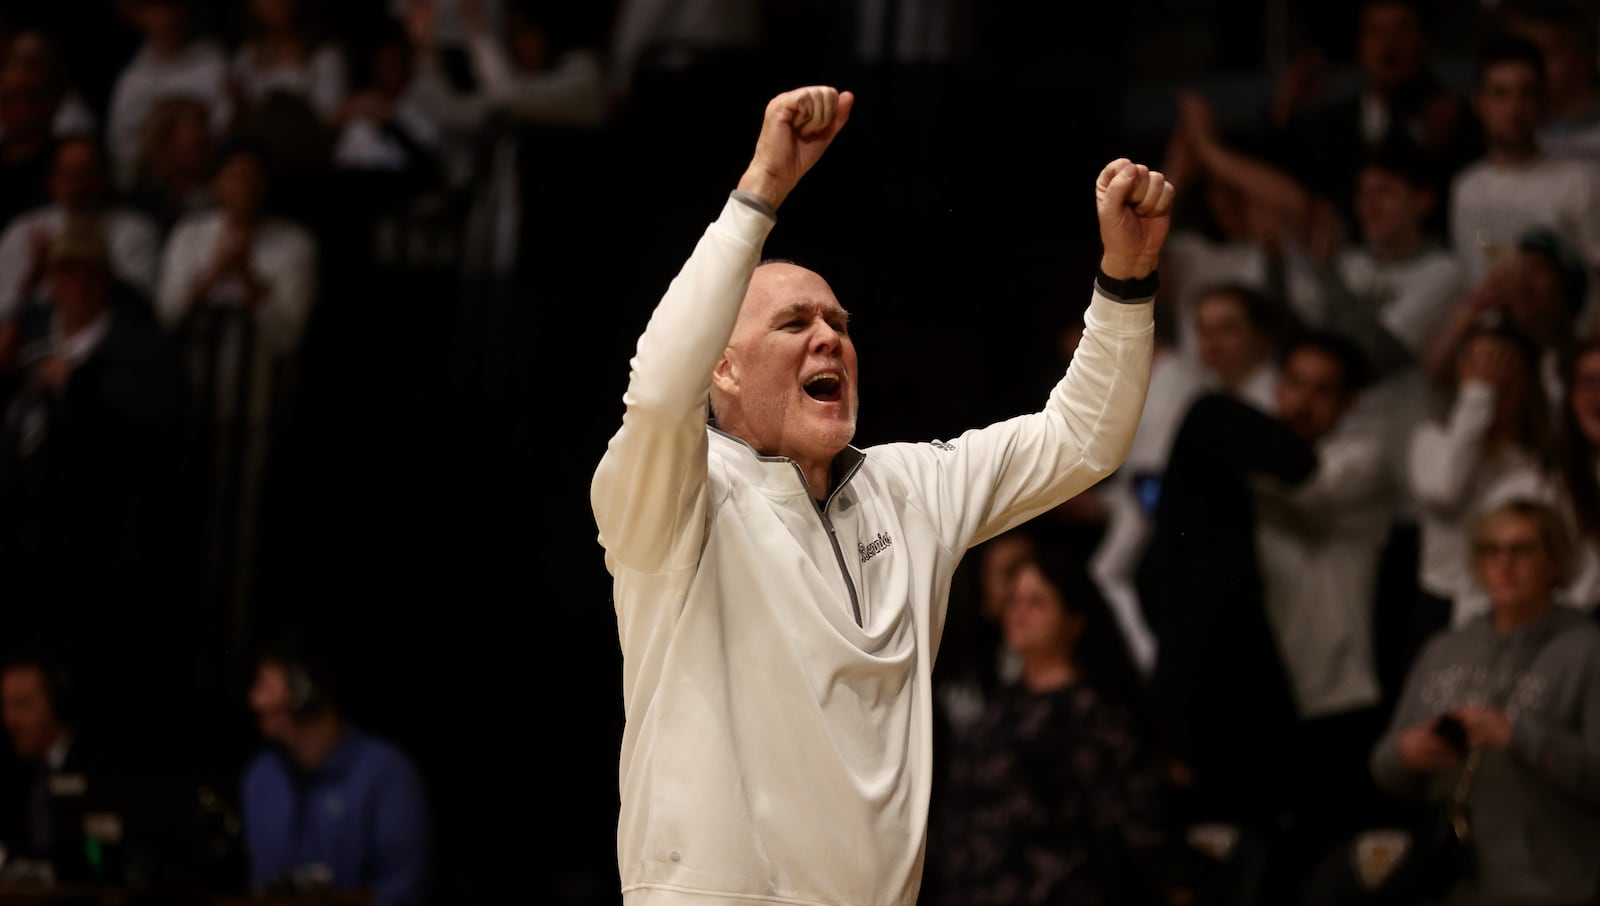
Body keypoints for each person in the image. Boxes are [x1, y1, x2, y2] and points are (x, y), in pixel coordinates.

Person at [589, 85, 1171, 905]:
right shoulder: (673, 495)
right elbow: (654, 391)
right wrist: (761, 189)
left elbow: (1083, 439)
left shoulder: (909, 489)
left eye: (839, 321)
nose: (829, 335)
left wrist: (1128, 279)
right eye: (793, 324)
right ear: (722, 368)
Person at [1365, 498, 1600, 904]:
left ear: (1555, 561)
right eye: (1491, 550)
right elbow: (1384, 765)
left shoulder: (1586, 650)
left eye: (1522, 549)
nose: (1504, 564)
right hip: (1452, 880)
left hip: (1548, 885)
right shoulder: (1444, 649)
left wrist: (1518, 735)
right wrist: (1406, 754)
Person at [938, 548, 1185, 906]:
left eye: (1035, 602)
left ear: (1073, 620)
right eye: (1013, 601)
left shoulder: (1093, 714)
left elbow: (1138, 827)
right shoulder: (998, 706)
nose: (1019, 613)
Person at [240, 634, 432, 906]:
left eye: (263, 685)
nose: (254, 700)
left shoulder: (386, 774)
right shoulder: (262, 778)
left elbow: (404, 891)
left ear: (304, 688)